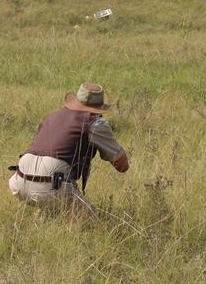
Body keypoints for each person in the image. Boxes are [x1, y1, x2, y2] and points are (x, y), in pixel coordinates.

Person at [8, 82, 129, 213]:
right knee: (93, 223)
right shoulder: (96, 123)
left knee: (53, 207)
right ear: (99, 108)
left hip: (18, 181)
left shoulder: (53, 116)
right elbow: (122, 166)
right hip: (51, 184)